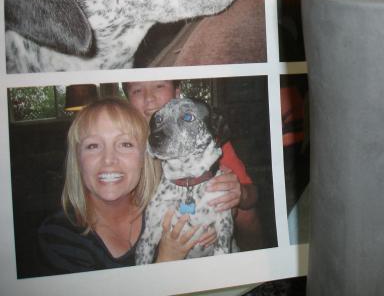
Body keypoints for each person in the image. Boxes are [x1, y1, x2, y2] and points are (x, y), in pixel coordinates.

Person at [38, 98, 216, 275]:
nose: (108, 160)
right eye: (92, 146)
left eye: (125, 144)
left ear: (145, 155)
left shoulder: (161, 207)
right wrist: (166, 260)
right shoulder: (58, 236)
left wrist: (223, 192)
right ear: (77, 159)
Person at [122, 80, 262, 250]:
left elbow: (252, 196)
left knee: (245, 213)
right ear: (128, 99)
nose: (149, 98)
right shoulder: (119, 143)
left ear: (177, 92)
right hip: (155, 243)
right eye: (137, 90)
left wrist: (238, 196)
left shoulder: (207, 142)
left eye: (159, 86)